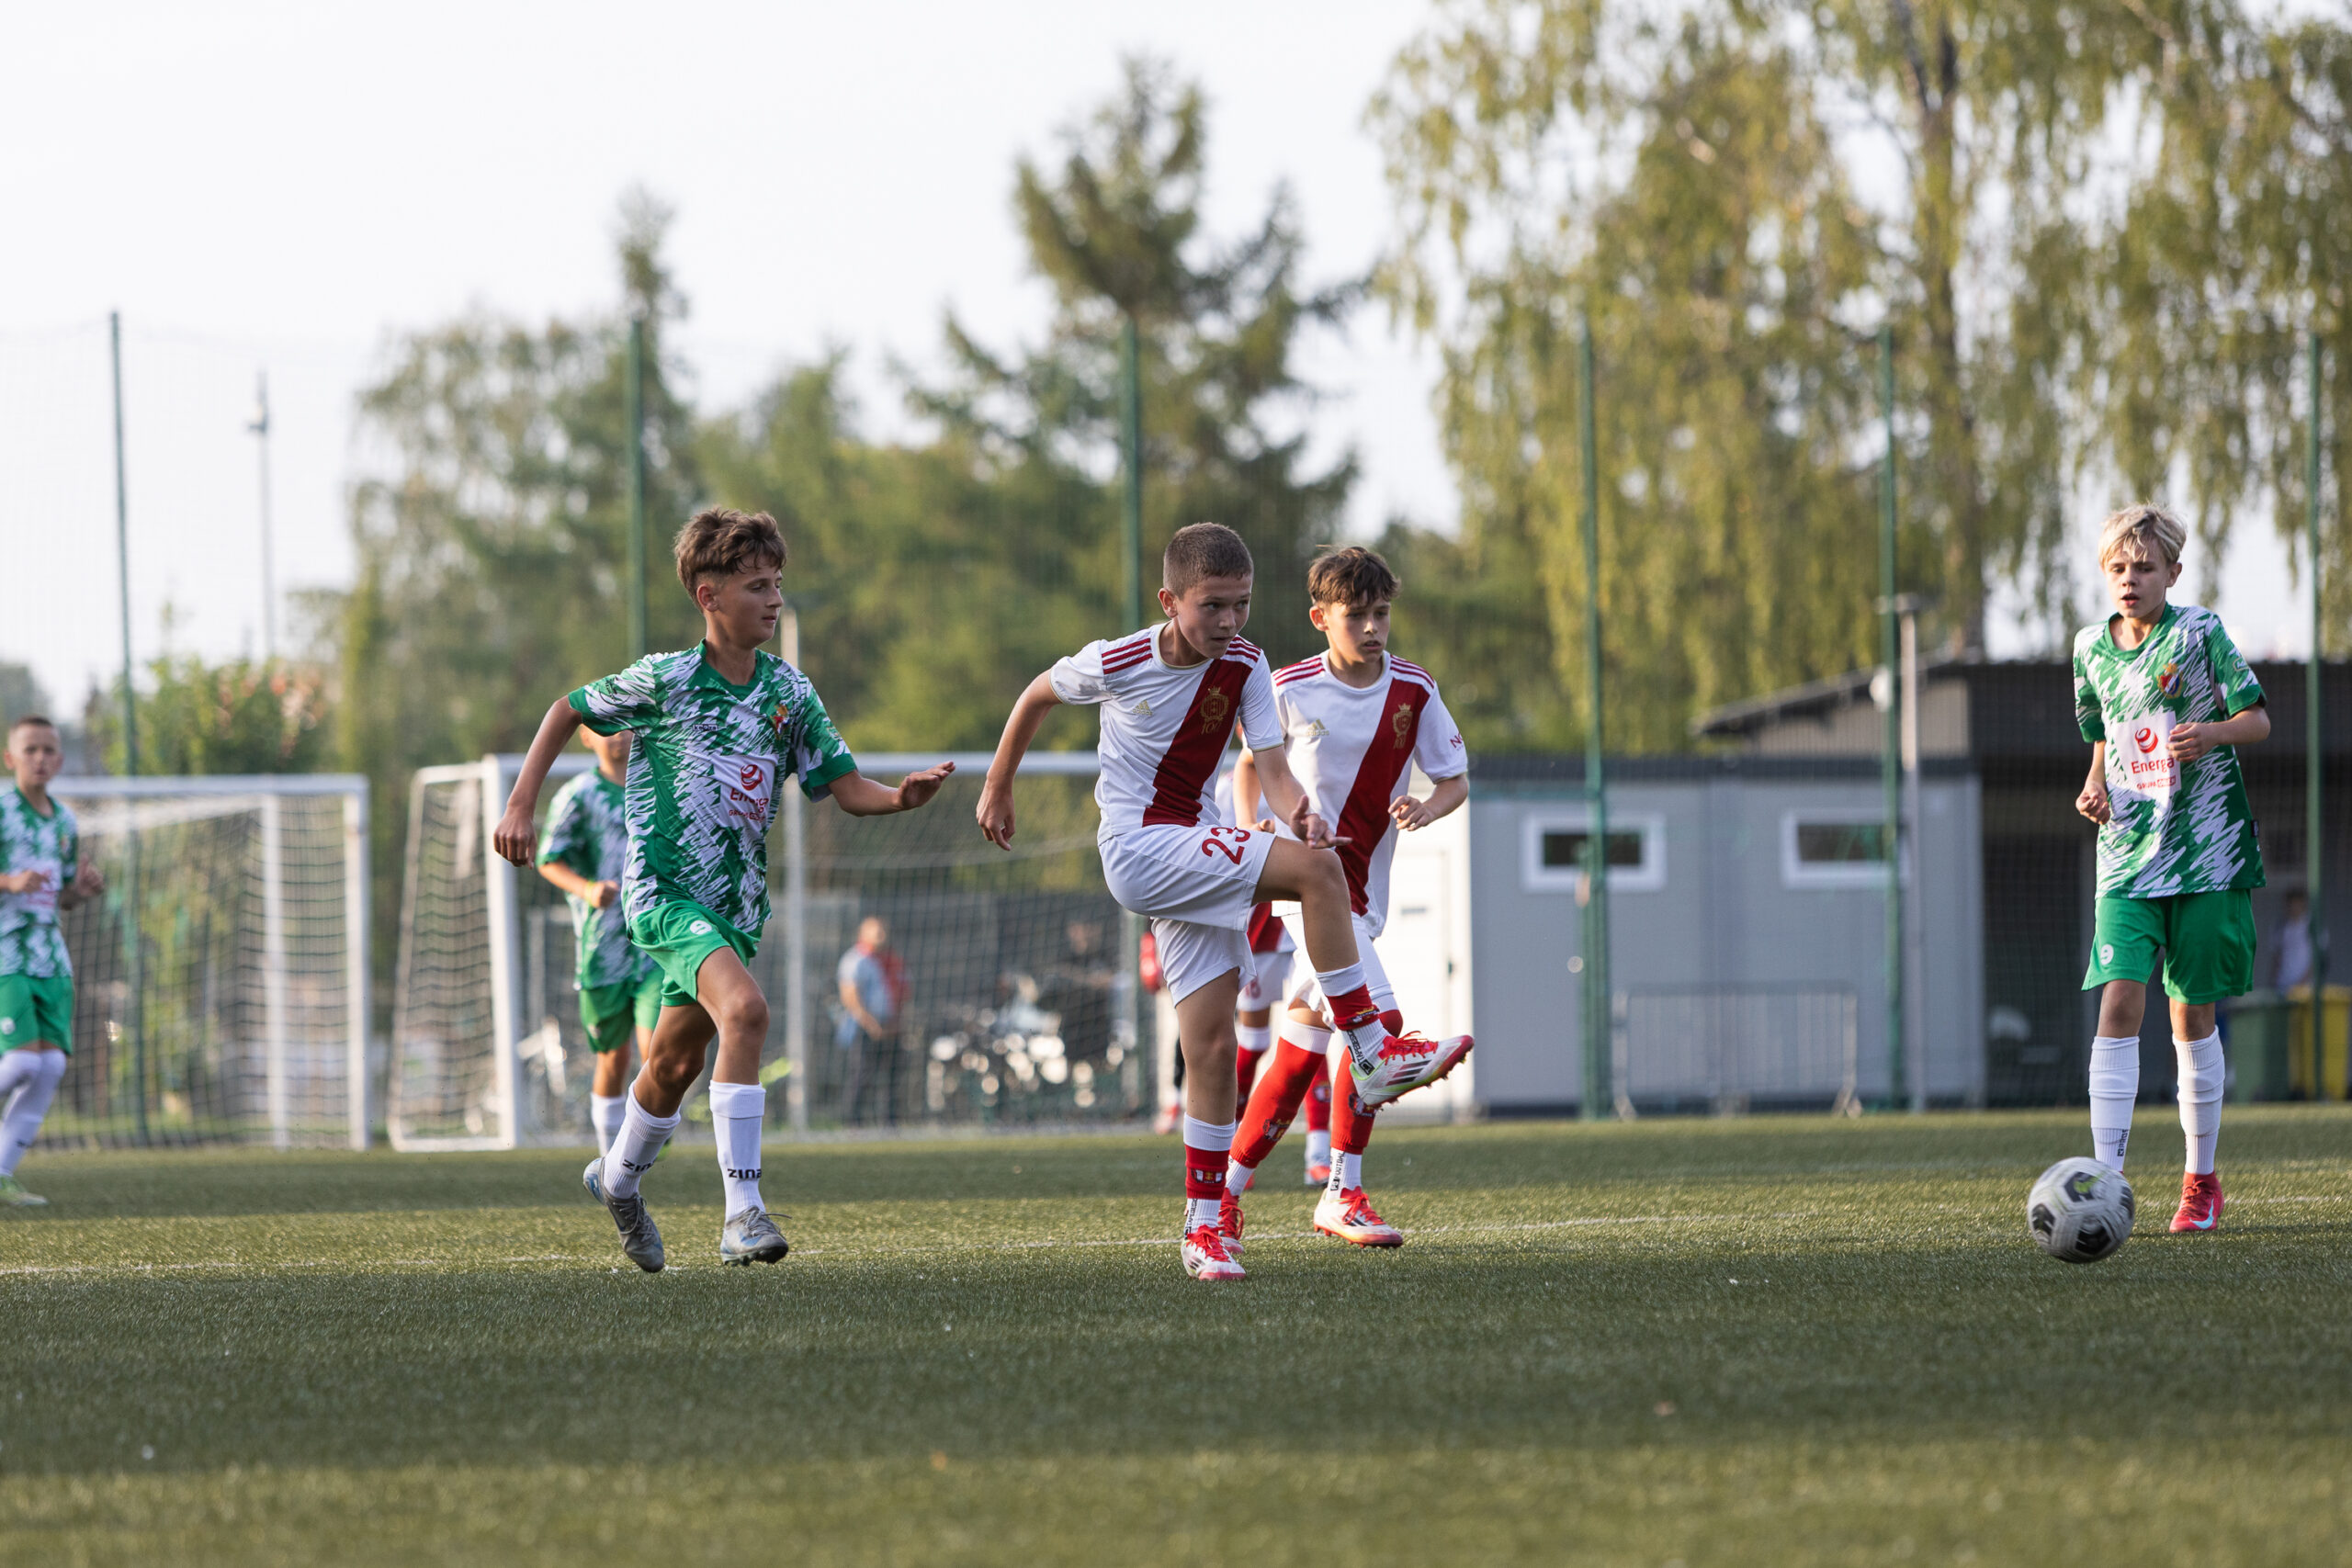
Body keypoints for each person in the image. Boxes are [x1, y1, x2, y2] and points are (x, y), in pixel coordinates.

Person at [976, 522, 1468, 1283]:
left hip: (1192, 852)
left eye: (1242, 604)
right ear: (1169, 601)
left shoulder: (1246, 664)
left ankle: (1205, 1227)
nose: (1230, 621)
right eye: (1213, 606)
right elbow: (1039, 692)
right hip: (1139, 846)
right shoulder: (1122, 658)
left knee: (1209, 1048)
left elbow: (1270, 766)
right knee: (1321, 875)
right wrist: (998, 782)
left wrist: (1299, 811)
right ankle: (1372, 1048)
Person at [494, 508, 953, 1271]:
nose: (775, 599)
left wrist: (900, 798)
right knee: (747, 1011)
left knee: (673, 1066)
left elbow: (843, 786)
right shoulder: (666, 680)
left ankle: (617, 1179)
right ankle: (743, 1212)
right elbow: (568, 708)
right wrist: (520, 804)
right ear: (709, 596)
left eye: (777, 583)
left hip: (735, 910)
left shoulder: (790, 692)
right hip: (665, 895)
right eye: (757, 586)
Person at [1220, 546, 1471, 1247]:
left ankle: (1221, 1193)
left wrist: (1428, 806)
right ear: (1320, 618)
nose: (1371, 627)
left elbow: (1454, 779)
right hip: (1305, 888)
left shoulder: (1415, 689)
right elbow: (1249, 766)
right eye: (1355, 614)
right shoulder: (1289, 687)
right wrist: (1251, 827)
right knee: (1379, 1024)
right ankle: (1343, 1190)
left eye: (1381, 613)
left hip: (1365, 893)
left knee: (1299, 1053)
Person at [2073, 502, 2269, 1234]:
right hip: (2127, 854)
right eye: (2118, 568)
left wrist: (2210, 733)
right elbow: (2103, 733)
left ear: (2173, 573)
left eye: (2145, 567)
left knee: (2191, 1013)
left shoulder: (2200, 632)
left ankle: (2200, 1181)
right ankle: (2105, 1182)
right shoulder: (2089, 649)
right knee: (2119, 1001)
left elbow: (2258, 720)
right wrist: (2095, 783)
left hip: (2206, 855)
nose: (2130, 579)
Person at [535, 727, 662, 1156]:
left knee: (658, 1049)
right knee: (613, 1057)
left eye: (625, 726)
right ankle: (612, 1159)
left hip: (657, 939)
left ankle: (647, 1134)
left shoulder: (659, 785)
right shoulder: (578, 794)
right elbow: (549, 859)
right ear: (586, 738)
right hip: (603, 949)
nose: (617, 736)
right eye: (604, 729)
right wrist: (588, 889)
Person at [0, 716, 104, 1206]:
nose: (40, 758)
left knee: (50, 1066)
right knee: (22, 1060)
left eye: (48, 750)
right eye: (30, 749)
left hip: (51, 957)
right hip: (7, 952)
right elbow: (15, 885)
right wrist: (8, 882)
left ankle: (2, 1175)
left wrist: (79, 891)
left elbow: (62, 897)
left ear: (60, 760)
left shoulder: (65, 822)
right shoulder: (2, 811)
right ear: (10, 758)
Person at [834, 915, 906, 1125]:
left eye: (883, 931)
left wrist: (896, 1021)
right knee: (861, 1076)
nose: (881, 935)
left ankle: (890, 1124)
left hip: (890, 1026)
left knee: (892, 1076)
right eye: (877, 931)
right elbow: (850, 997)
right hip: (863, 1028)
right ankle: (854, 1124)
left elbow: (903, 991)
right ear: (863, 934)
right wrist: (871, 1025)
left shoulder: (891, 960)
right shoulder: (856, 960)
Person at [2270, 889, 2312, 991]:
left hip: (2306, 987)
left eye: (2297, 904)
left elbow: (2319, 958)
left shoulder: (2312, 926)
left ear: (2303, 904)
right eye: (2291, 904)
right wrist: (2273, 981)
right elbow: (2276, 956)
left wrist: (2302, 982)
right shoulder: (2281, 926)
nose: (2294, 908)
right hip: (2283, 985)